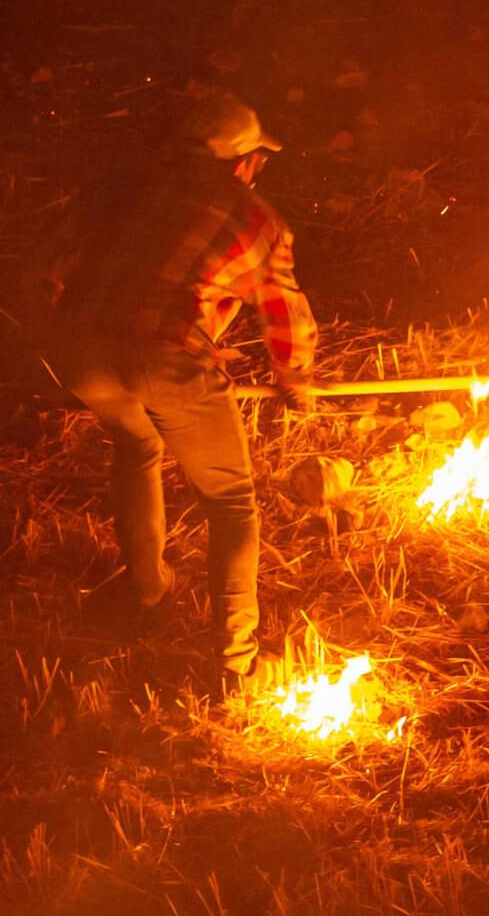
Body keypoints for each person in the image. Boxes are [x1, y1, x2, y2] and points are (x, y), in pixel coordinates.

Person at [45, 87, 319, 680]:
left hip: (77, 348)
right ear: (244, 162)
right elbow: (285, 316)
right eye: (258, 159)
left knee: (138, 443)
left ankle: (146, 593)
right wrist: (294, 379)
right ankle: (236, 662)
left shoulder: (130, 191)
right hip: (164, 355)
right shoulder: (259, 220)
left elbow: (59, 261)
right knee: (229, 502)